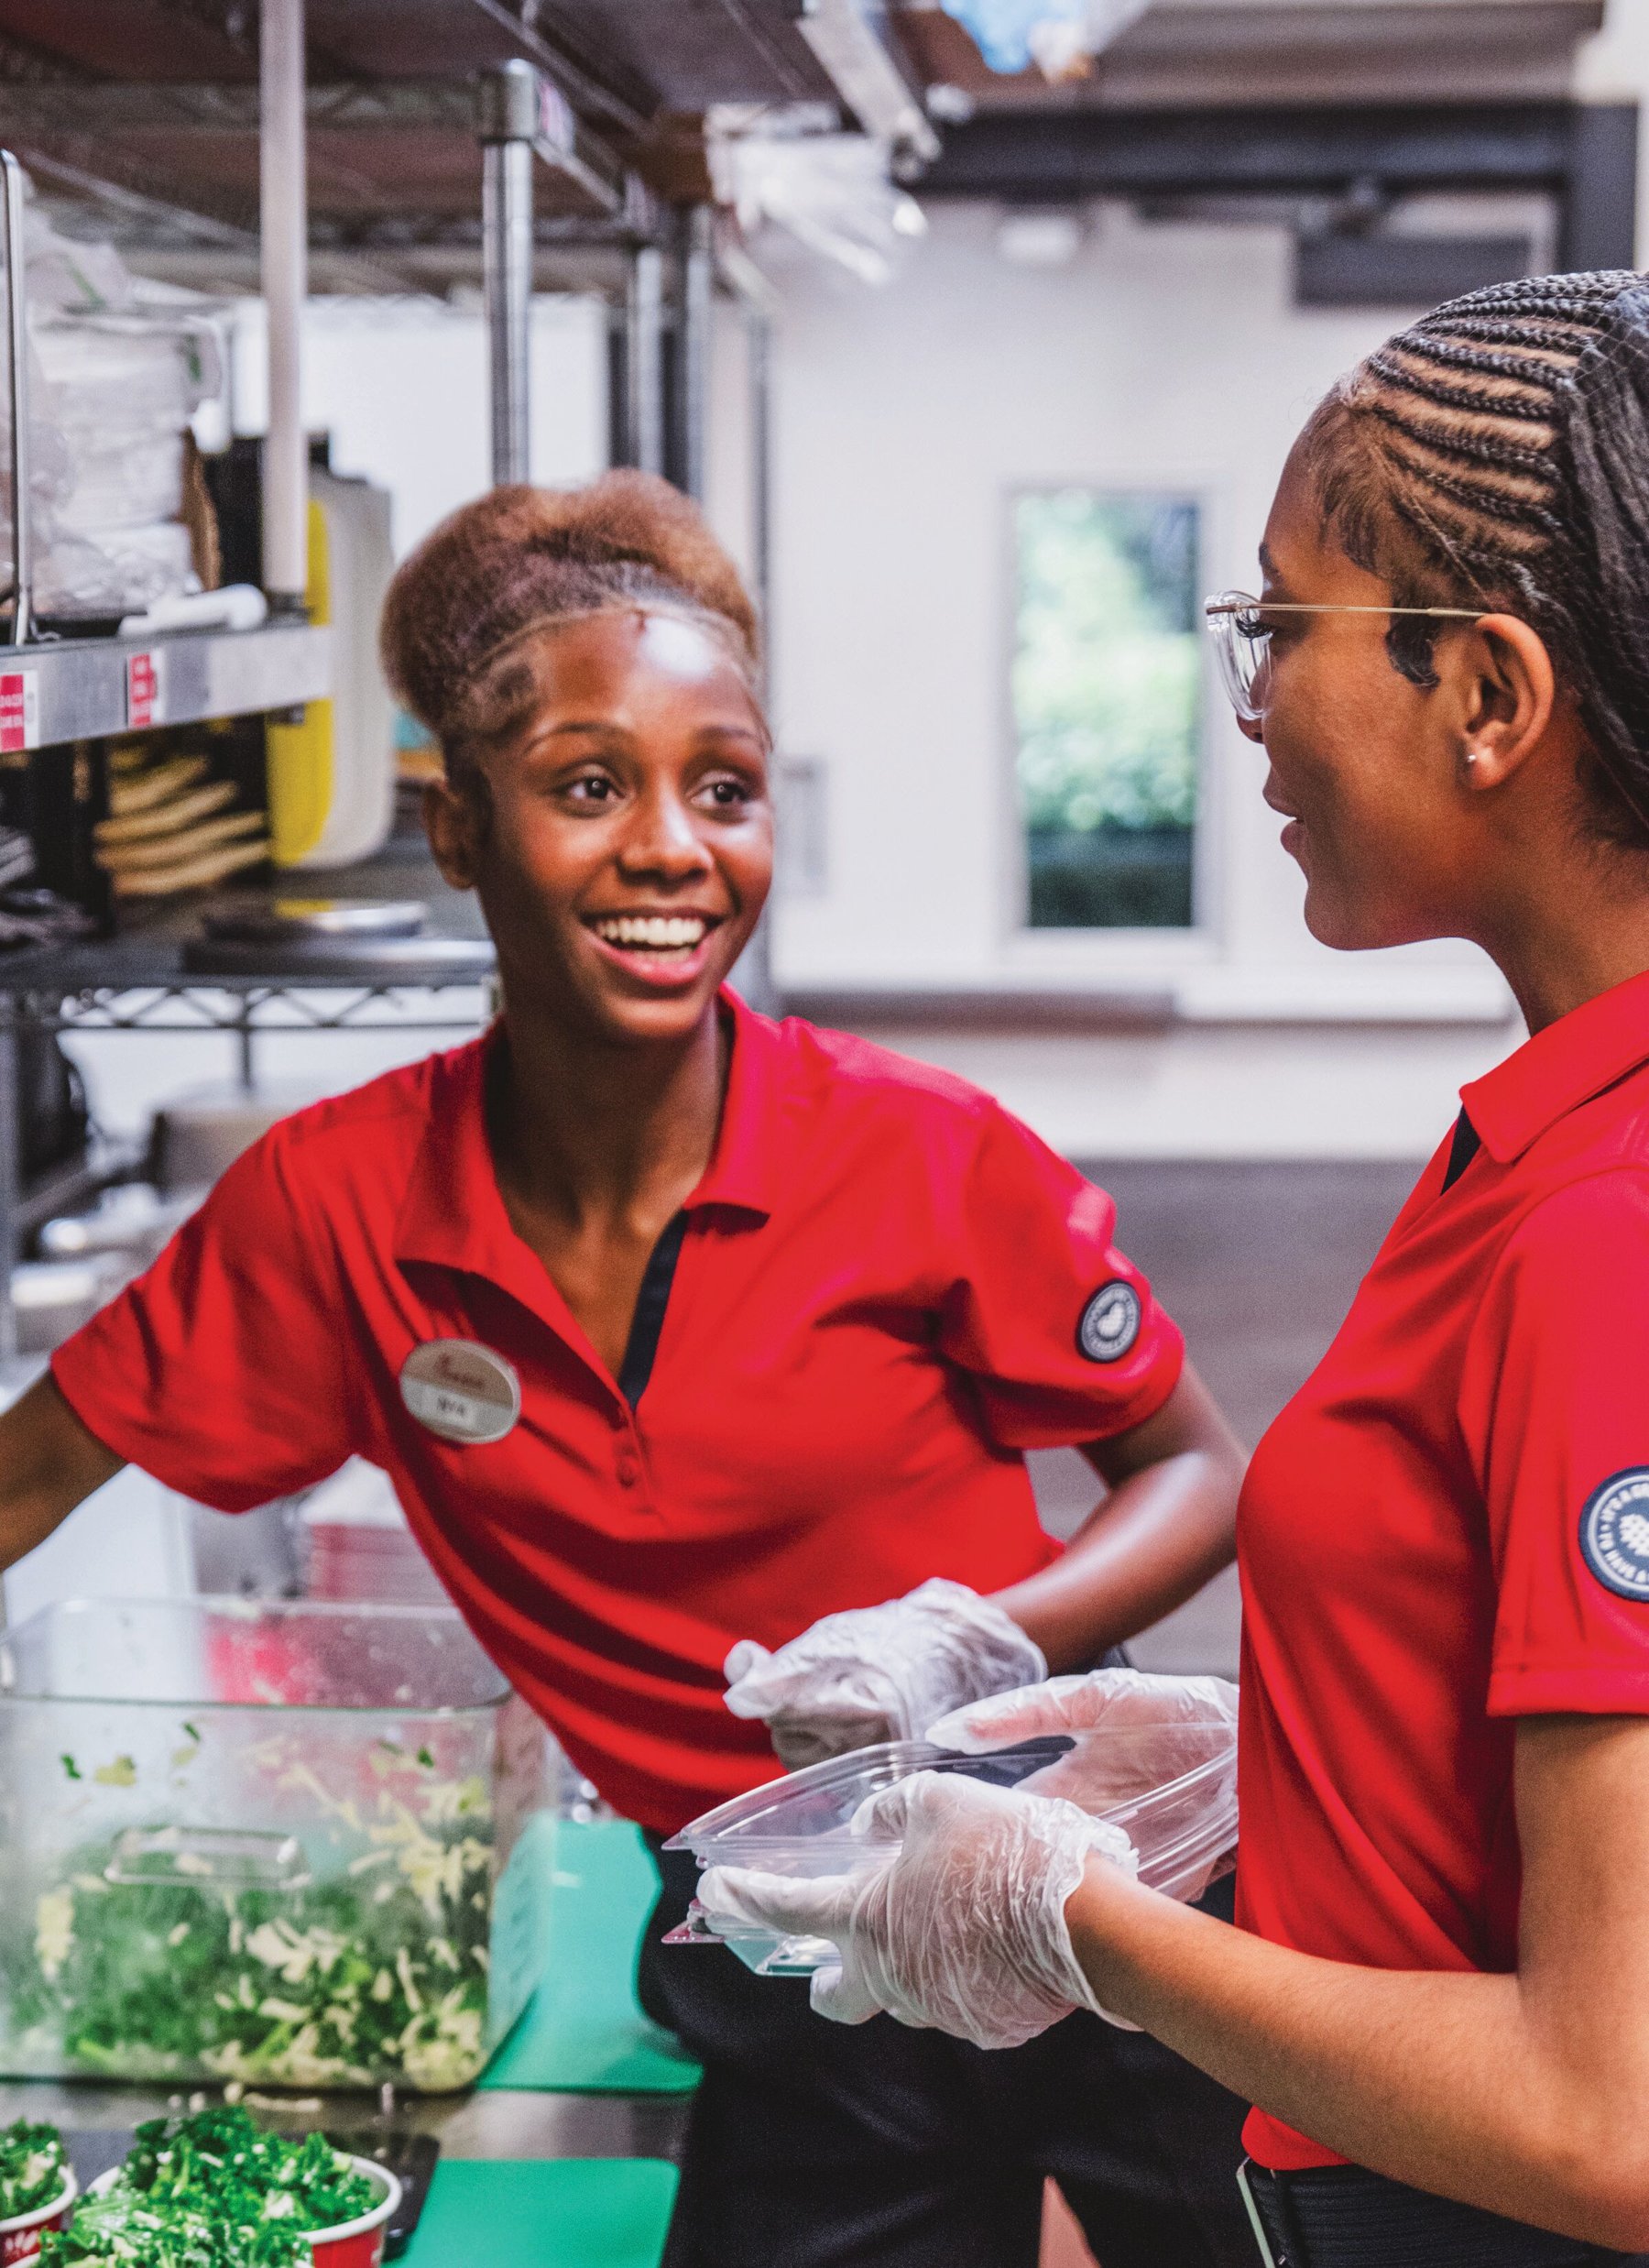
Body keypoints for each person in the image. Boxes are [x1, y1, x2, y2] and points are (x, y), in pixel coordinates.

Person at [0, 472, 1254, 2267]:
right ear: (457, 826)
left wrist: (978, 1633)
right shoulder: (337, 1206)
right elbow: (28, 1476)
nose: (673, 844)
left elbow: (1200, 1468)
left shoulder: (921, 1151)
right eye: (592, 784)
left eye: (721, 787)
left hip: (1077, 1855)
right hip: (779, 1924)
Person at [702, 268, 1649, 2268]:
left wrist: (1074, 1916)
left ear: (1486, 695)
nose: (1256, 705)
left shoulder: (1607, 1230)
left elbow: (1610, 2113)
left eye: (1281, 627)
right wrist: (1271, 1753)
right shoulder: (1550, 1125)